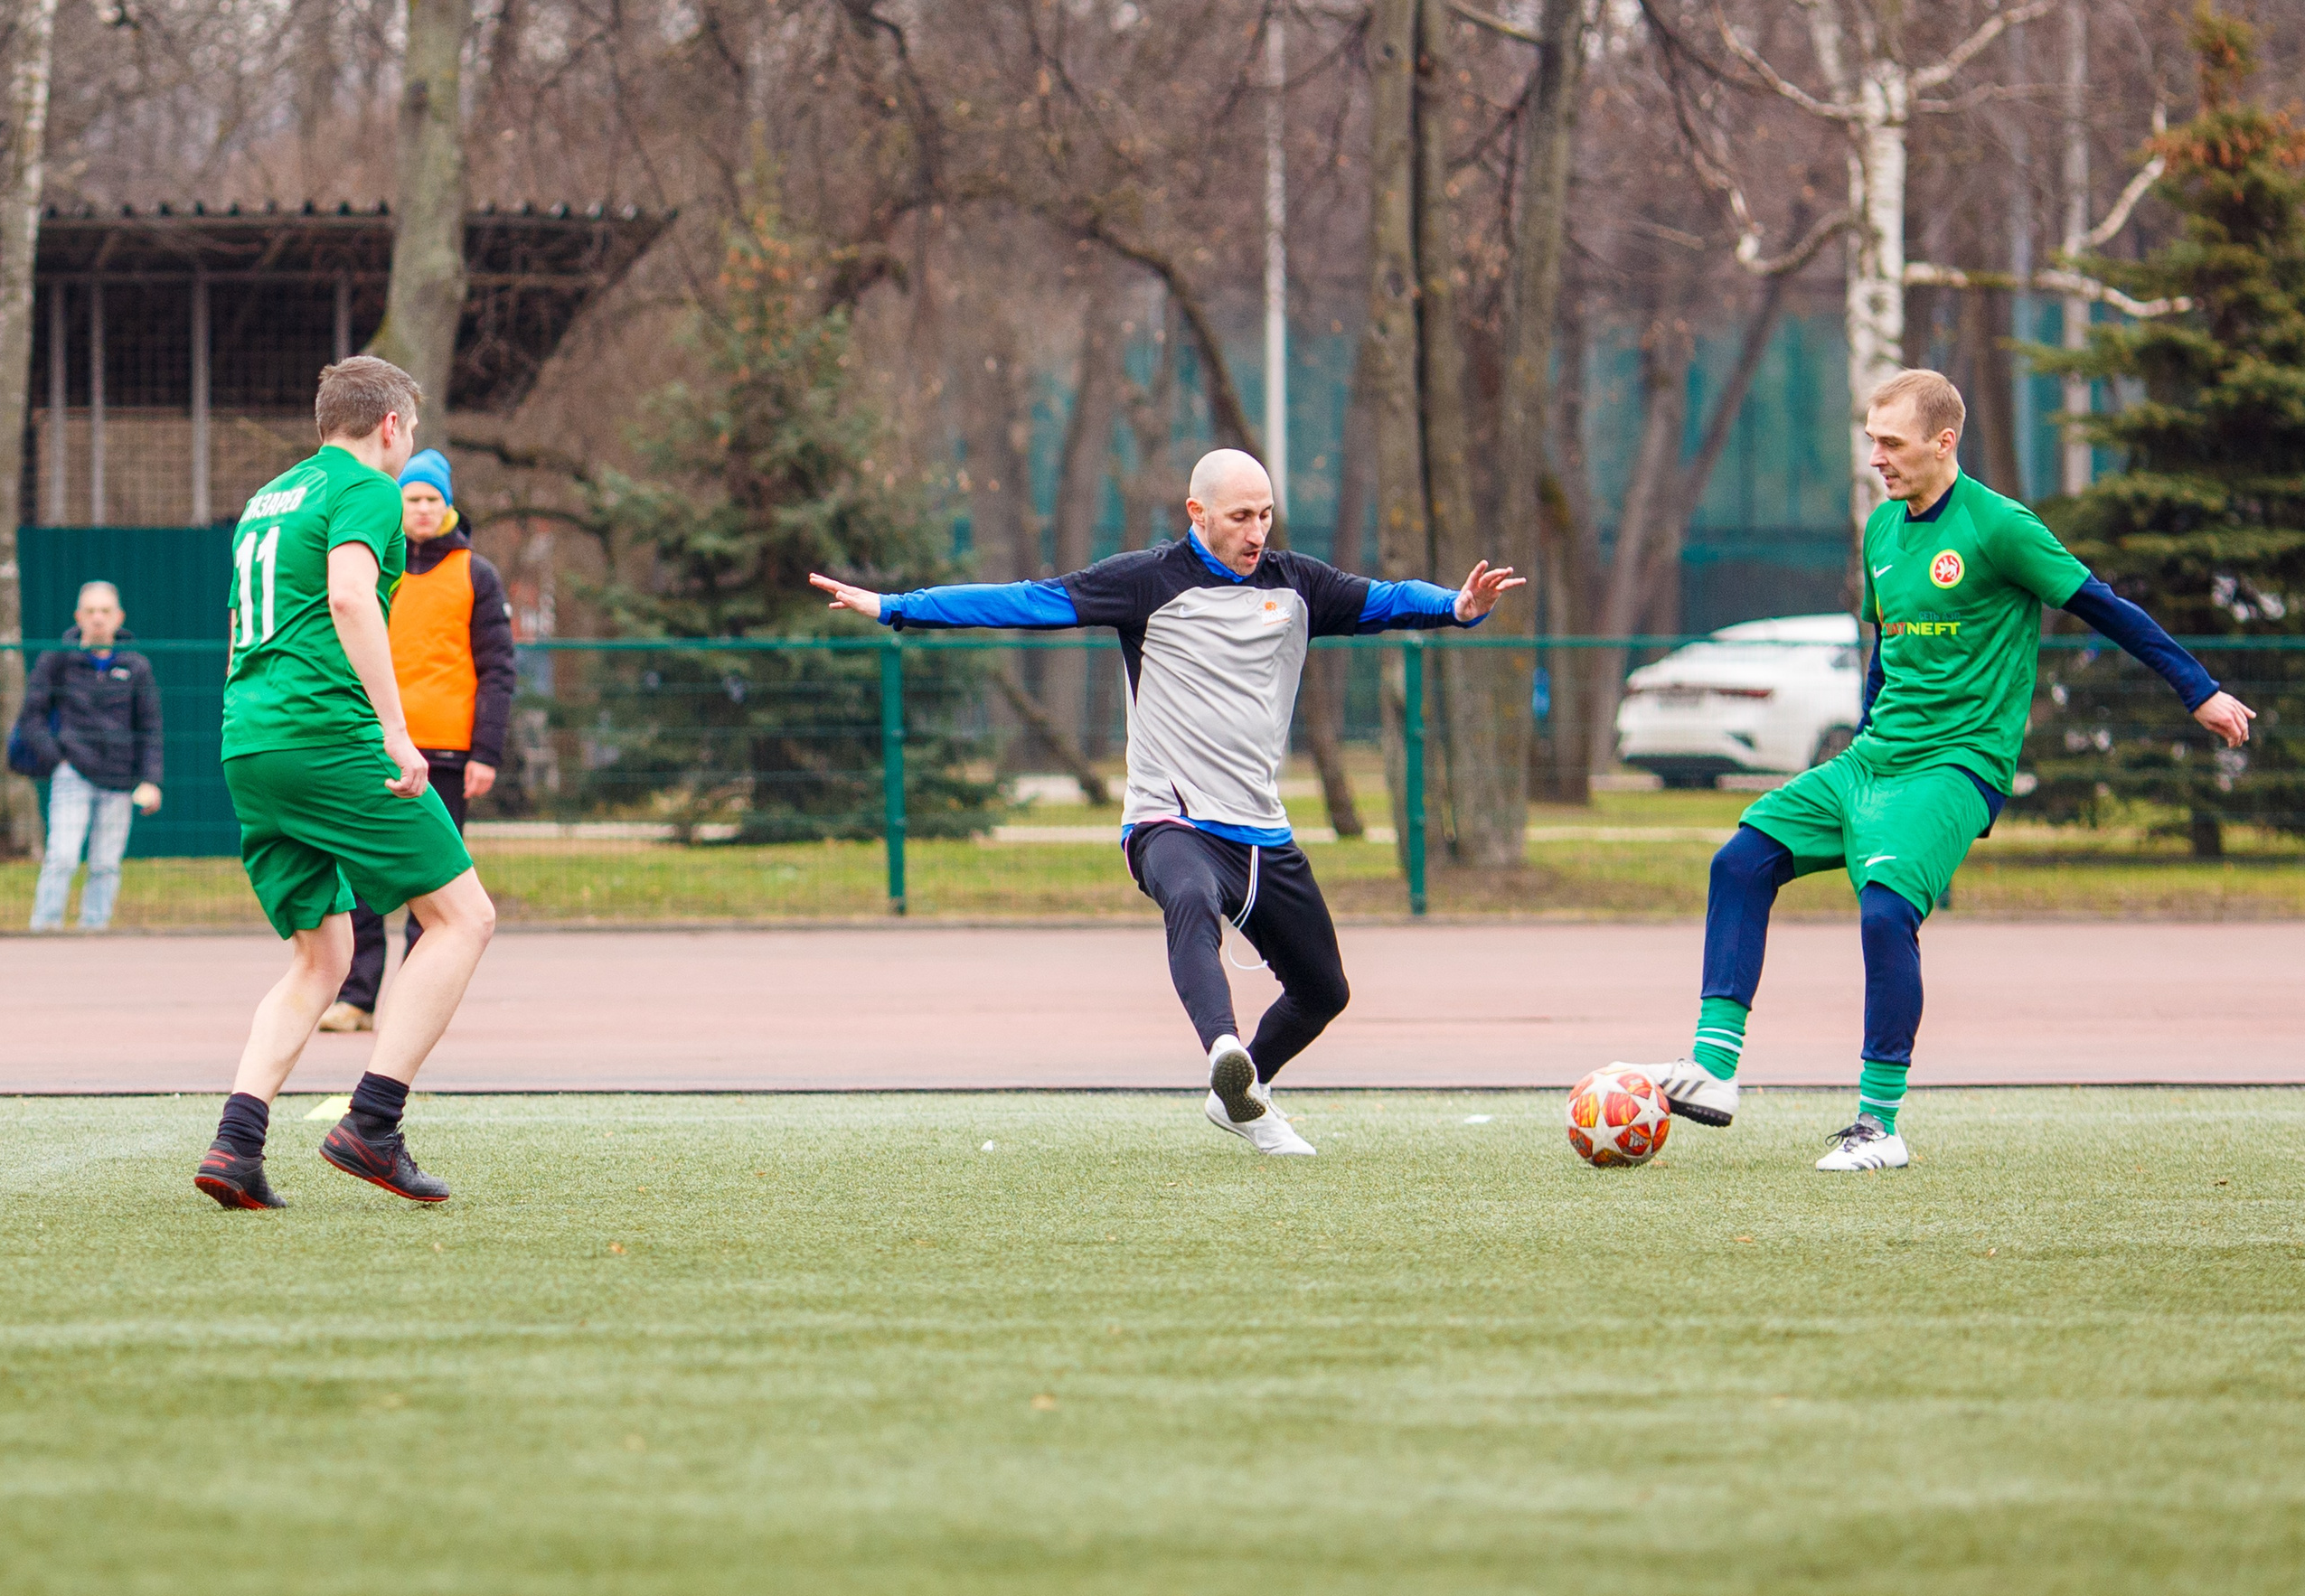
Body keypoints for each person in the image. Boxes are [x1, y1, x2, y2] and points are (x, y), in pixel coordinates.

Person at [811, 447, 1519, 1156]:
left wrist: (1457, 606)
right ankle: (1223, 1050)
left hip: (1261, 832)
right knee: (1189, 897)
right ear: (1197, 513)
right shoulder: (1145, 582)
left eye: (1265, 515)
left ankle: (1238, 1095)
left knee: (1325, 992)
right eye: (1240, 516)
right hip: (1167, 821)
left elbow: (1388, 599)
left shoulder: (1296, 585)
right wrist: (896, 608)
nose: (1256, 532)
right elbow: (1025, 598)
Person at [1634, 369, 2254, 1171]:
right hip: (1874, 759)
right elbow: (1885, 656)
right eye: (1871, 443)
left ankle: (1877, 1126)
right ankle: (1715, 1072)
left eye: (1891, 444)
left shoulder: (2000, 527)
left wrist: (2197, 690)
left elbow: (2105, 606)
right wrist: (1862, 750)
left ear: (1943, 441)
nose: (1877, 460)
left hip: (1957, 768)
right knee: (1740, 861)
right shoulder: (1882, 531)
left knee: (1886, 913)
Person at [193, 356, 498, 1211]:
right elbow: (351, 599)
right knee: (463, 918)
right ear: (392, 427)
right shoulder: (366, 486)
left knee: (320, 955)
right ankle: (373, 1123)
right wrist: (397, 734)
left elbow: (237, 628)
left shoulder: (269, 498)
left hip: (249, 738)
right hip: (325, 734)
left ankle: (237, 1145)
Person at [318, 448, 515, 1032]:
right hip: (372, 745)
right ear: (397, 504)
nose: (423, 509)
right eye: (413, 498)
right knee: (362, 876)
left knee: (434, 884)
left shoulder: (476, 574)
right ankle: (356, 997)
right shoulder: (374, 567)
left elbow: (498, 669)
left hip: (449, 753)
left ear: (448, 504)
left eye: (433, 499)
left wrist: (487, 751)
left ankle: (412, 998)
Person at [21, 581, 163, 931]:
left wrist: (151, 780)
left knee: (105, 863)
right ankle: (45, 929)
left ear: (119, 618)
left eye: (105, 611)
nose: (98, 618)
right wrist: (58, 758)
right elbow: (32, 716)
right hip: (73, 774)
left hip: (119, 777)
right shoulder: (57, 660)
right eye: (91, 611)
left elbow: (150, 727)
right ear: (78, 616)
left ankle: (94, 933)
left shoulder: (137, 666)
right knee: (63, 857)